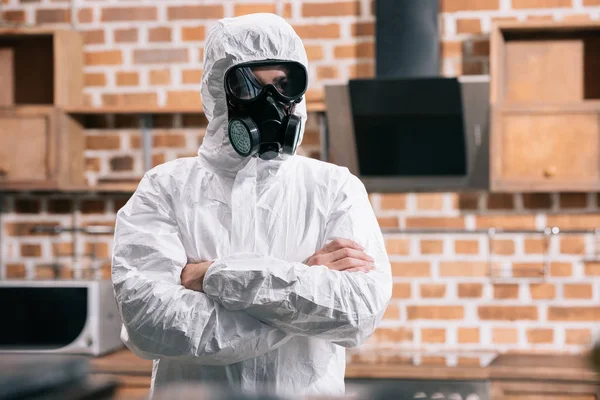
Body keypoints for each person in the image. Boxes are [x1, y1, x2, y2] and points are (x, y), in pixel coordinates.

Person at [111, 13, 392, 398]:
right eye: (248, 87)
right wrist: (300, 293)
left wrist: (210, 277)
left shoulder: (333, 188)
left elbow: (357, 313)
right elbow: (151, 323)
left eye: (282, 85)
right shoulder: (165, 188)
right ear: (217, 92)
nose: (271, 103)